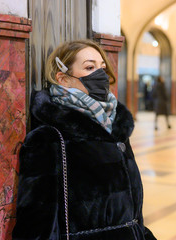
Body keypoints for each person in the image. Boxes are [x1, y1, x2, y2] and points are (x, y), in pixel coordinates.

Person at [12, 39, 156, 240]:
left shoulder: (115, 129)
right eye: (90, 67)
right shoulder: (51, 138)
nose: (101, 75)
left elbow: (133, 211)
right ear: (63, 78)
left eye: (102, 68)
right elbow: (35, 225)